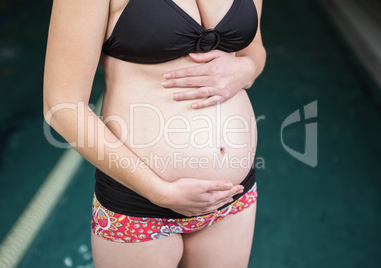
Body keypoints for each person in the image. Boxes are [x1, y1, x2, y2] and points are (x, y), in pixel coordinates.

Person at [43, 0, 266, 267]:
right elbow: (61, 106)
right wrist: (160, 192)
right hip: (140, 202)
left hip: (232, 197)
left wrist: (247, 69)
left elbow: (254, 49)